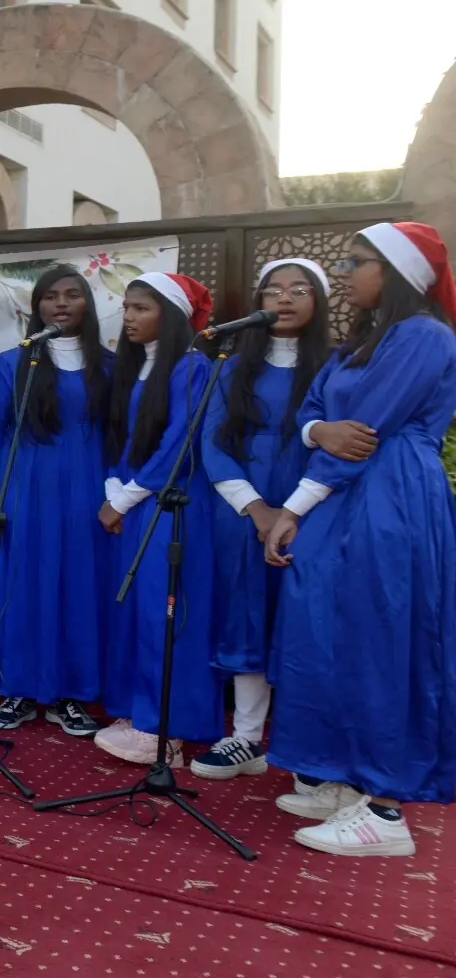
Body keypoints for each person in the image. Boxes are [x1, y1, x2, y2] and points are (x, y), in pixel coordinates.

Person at [263, 222, 456, 858]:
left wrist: (294, 503)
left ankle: (386, 807)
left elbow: (369, 429)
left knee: (382, 636)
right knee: (328, 630)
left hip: (390, 493)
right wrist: (318, 431)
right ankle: (344, 775)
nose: (346, 272)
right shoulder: (362, 342)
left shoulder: (425, 336)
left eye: (359, 262)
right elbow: (311, 413)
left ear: (397, 273)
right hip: (341, 493)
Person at [190, 259, 330, 778]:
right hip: (243, 511)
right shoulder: (230, 367)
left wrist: (293, 511)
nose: (285, 299)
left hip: (316, 510)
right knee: (247, 615)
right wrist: (256, 509)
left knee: (303, 624)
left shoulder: (336, 367)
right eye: (273, 291)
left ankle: (306, 753)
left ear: (319, 301)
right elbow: (214, 444)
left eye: (299, 289)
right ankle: (246, 739)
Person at [0, 265, 113, 737]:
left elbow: (122, 439)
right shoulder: (15, 363)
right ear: (36, 308)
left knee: (79, 589)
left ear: (87, 305)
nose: (61, 303)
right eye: (50, 296)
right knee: (23, 588)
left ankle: (70, 694)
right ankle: (18, 688)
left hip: (89, 493)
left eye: (72, 295)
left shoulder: (111, 367)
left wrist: (117, 496)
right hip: (26, 491)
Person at [93, 272, 220, 765]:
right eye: (126, 307)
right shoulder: (136, 369)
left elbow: (178, 448)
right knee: (135, 614)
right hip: (131, 502)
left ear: (170, 317)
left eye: (141, 308)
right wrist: (113, 490)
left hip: (168, 507)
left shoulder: (190, 368)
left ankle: (167, 729)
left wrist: (122, 499)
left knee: (166, 616)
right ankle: (136, 711)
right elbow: (118, 439)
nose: (128, 317)